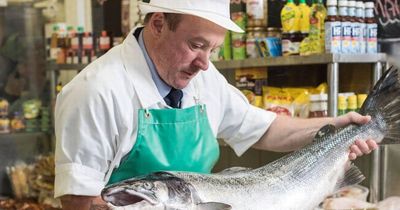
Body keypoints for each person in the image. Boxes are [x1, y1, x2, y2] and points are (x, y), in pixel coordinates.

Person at [54, 0, 378, 209]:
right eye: (196, 45)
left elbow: (265, 130)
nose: (205, 64)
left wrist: (337, 127)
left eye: (213, 50)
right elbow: (78, 200)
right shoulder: (95, 91)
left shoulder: (203, 79)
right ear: (158, 24)